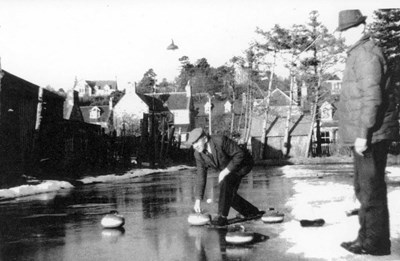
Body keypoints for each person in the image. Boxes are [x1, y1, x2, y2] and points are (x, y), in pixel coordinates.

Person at [337, 9, 399, 256]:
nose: (343, 36)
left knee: (371, 190)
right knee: (363, 189)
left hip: (371, 135)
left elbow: (372, 98)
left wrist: (363, 134)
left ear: (361, 28)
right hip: (365, 134)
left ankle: (376, 243)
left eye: (348, 30)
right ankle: (364, 237)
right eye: (342, 32)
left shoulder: (366, 55)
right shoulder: (357, 53)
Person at [186, 128, 264, 226]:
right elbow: (201, 176)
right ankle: (251, 211)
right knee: (228, 195)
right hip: (228, 168)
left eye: (196, 142)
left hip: (243, 163)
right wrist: (198, 200)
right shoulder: (198, 154)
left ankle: (222, 216)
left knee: (226, 184)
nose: (195, 146)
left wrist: (225, 172)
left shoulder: (221, 141)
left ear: (205, 139)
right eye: (193, 144)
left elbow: (240, 154)